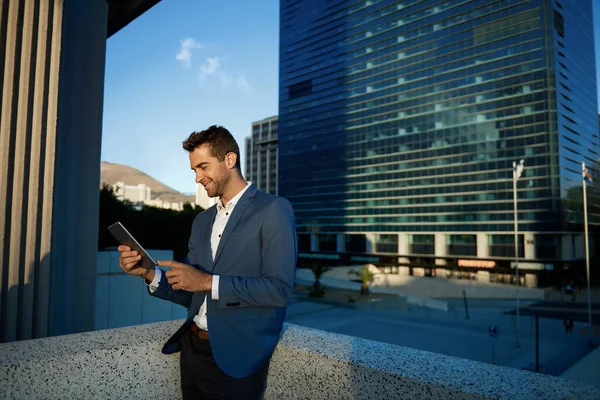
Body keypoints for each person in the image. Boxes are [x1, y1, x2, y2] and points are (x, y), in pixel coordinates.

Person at [118, 125, 297, 399]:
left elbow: (279, 290)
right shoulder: (201, 221)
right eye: (194, 170)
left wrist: (207, 282)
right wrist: (148, 273)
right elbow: (190, 292)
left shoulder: (273, 209)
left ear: (229, 160)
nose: (198, 178)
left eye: (203, 167)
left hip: (238, 361)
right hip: (191, 351)